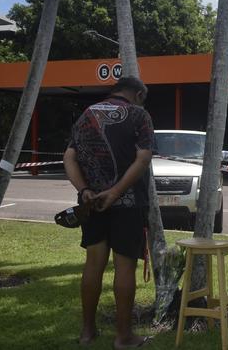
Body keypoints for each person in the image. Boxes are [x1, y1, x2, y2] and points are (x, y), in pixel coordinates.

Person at [63, 76, 154, 348]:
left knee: (93, 265)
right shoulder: (140, 115)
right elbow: (144, 157)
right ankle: (124, 336)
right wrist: (115, 193)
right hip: (127, 203)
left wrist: (84, 191)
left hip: (92, 204)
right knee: (125, 266)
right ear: (138, 94)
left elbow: (69, 157)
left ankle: (87, 332)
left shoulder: (86, 115)